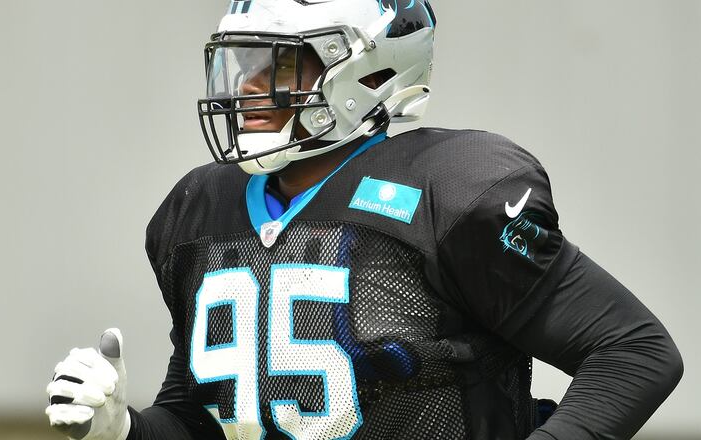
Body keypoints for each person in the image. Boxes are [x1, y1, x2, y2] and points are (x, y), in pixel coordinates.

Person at [45, 1, 683, 439]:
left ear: (368, 68)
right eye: (245, 63)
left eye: (282, 64)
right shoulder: (197, 212)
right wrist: (124, 430)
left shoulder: (450, 190)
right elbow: (211, 416)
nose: (248, 88)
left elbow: (633, 352)